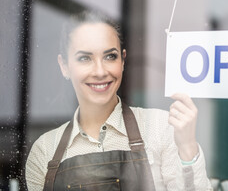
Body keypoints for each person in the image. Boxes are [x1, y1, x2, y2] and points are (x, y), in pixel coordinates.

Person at [25, 11, 212, 190]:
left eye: (110, 56)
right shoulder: (44, 151)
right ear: (64, 66)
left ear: (122, 60)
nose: (100, 71)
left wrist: (187, 148)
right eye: (84, 58)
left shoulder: (161, 128)